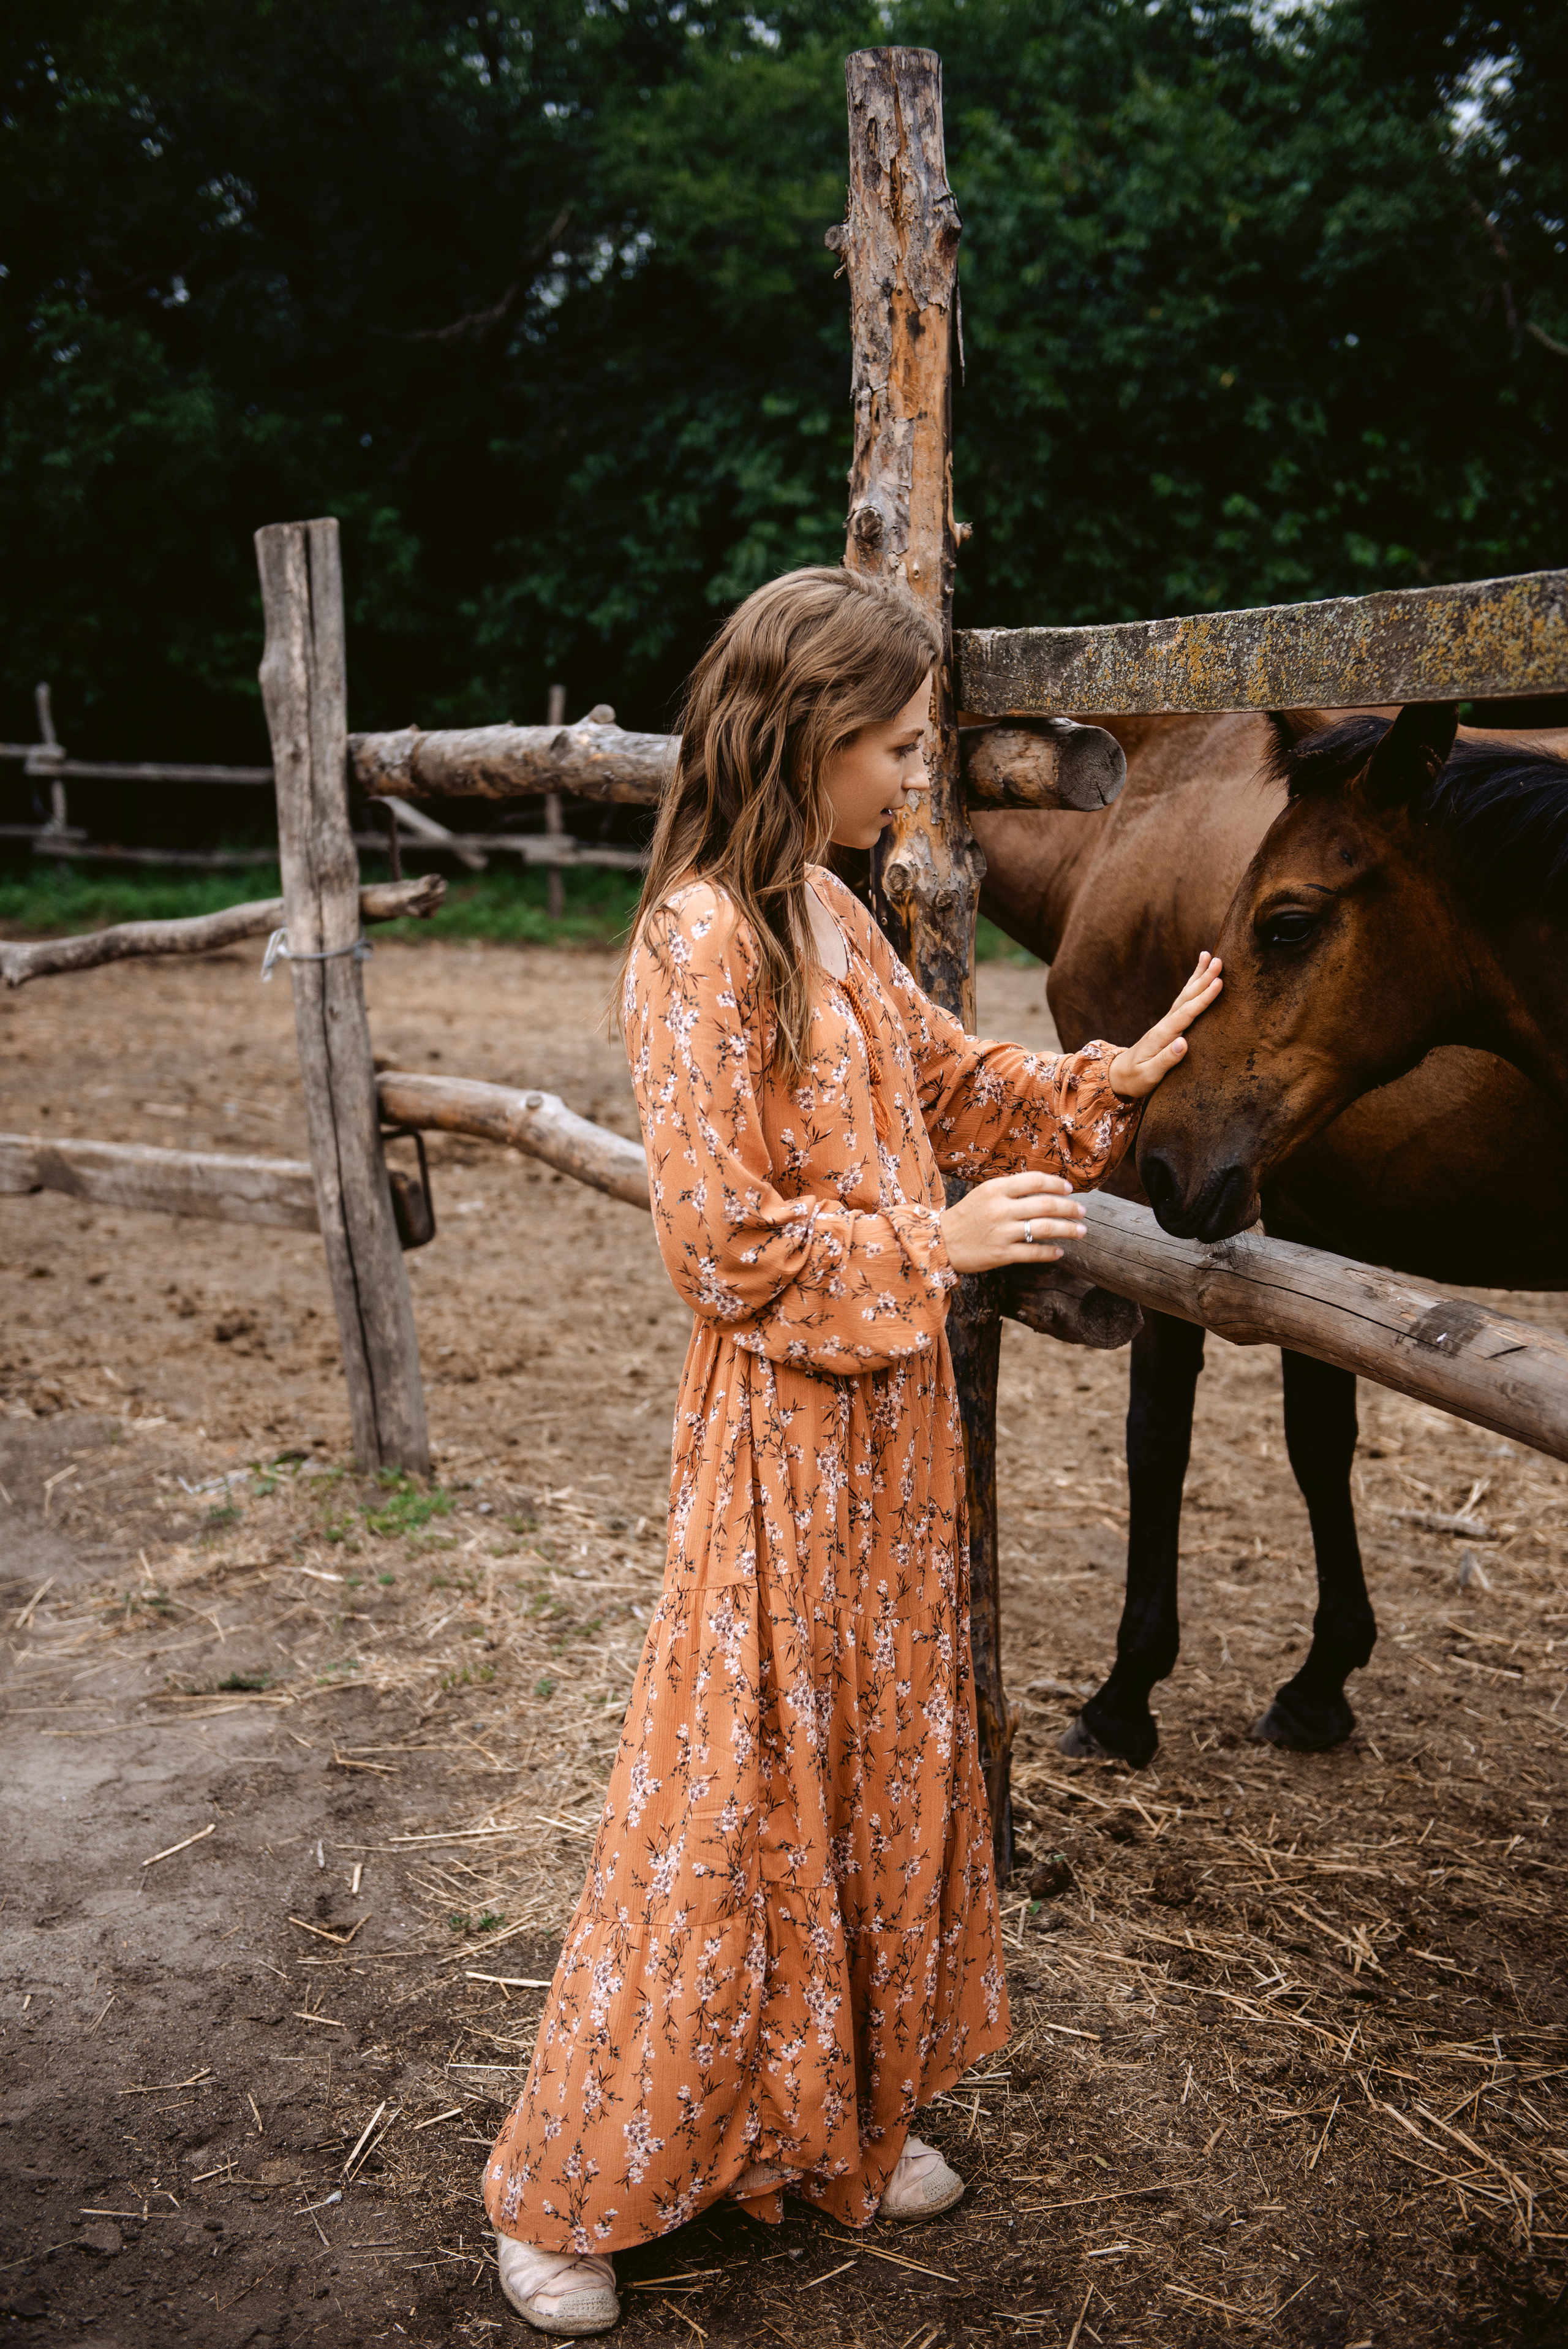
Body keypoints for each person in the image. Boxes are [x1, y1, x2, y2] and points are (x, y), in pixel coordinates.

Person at [482, 566, 1221, 2334]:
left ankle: (841, 2119)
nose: (913, 777)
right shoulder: (696, 942)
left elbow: (957, 1086)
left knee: (888, 1773)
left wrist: (1117, 1074)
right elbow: (720, 1245)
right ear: (804, 730)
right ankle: (569, 2187)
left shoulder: (829, 908)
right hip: (780, 1438)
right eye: (893, 744)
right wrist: (940, 1250)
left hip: (892, 1435)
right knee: (730, 1805)